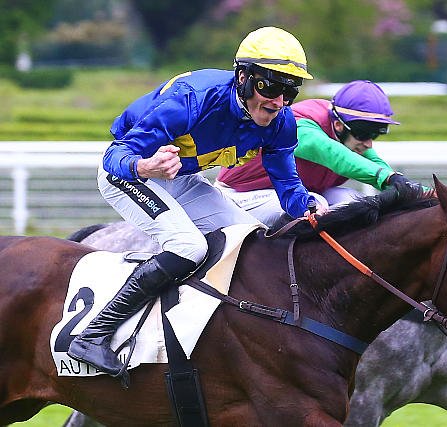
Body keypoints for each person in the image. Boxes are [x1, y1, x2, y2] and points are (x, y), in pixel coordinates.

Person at [67, 26, 325, 378]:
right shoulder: (192, 100)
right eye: (269, 87)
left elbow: (288, 186)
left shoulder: (281, 123)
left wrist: (308, 209)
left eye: (289, 91)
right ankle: (93, 335)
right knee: (189, 247)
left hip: (181, 179)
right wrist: (145, 166)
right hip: (129, 174)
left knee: (250, 240)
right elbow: (115, 157)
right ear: (243, 77)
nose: (278, 101)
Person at [215, 79, 428, 226]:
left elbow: (379, 167)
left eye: (375, 134)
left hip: (290, 194)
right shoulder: (300, 125)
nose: (368, 143)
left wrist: (424, 193)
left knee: (355, 201)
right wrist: (387, 178)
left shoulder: (349, 133)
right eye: (364, 133)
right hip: (237, 196)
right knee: (317, 205)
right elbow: (334, 155)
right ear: (339, 125)